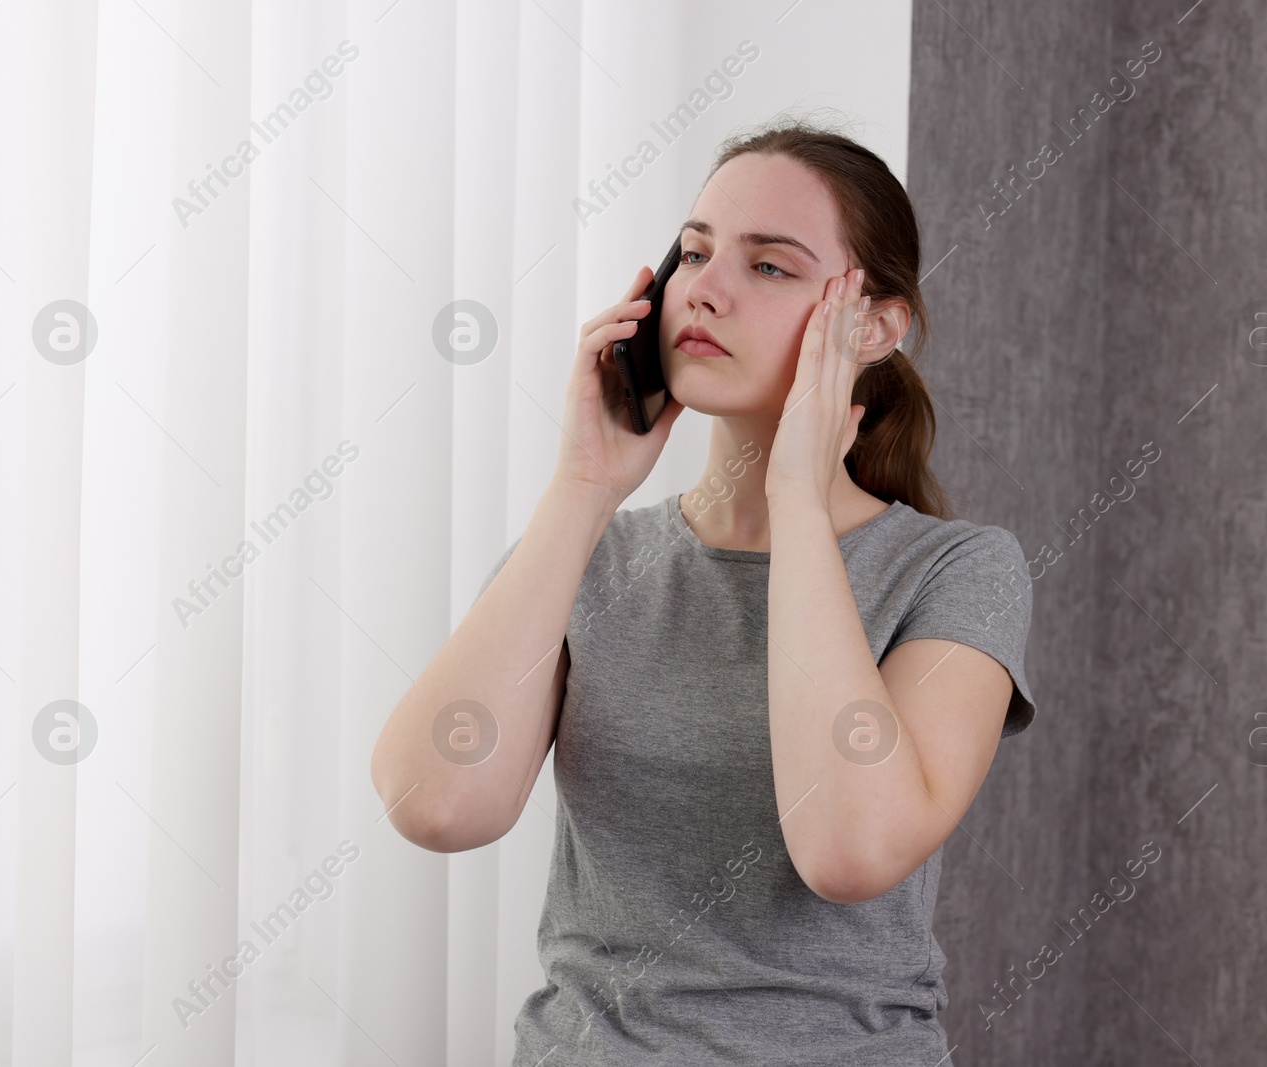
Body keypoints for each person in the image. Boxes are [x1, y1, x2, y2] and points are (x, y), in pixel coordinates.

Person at [370, 117, 1038, 1067]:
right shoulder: (589, 556)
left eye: (770, 266)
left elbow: (849, 849)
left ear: (876, 327)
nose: (707, 290)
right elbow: (436, 802)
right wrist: (584, 487)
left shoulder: (956, 571)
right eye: (693, 253)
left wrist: (798, 504)